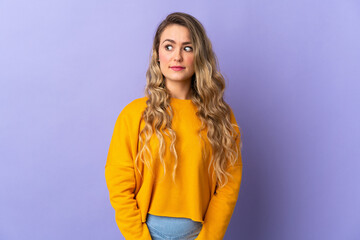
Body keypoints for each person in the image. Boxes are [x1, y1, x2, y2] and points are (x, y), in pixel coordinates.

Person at [105, 12, 243, 240]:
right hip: (146, 232)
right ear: (157, 54)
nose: (177, 56)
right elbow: (119, 183)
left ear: (199, 56)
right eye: (169, 47)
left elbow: (229, 185)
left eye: (187, 48)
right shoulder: (134, 114)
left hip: (198, 234)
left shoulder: (221, 116)